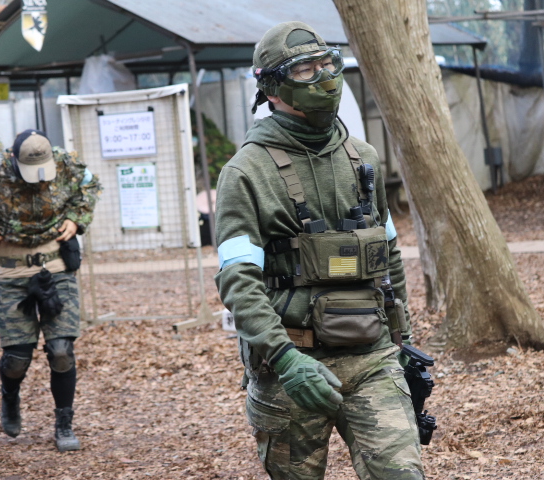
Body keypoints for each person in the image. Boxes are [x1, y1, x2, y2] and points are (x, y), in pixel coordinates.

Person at [214, 22, 424, 479]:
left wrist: (401, 337)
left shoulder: (364, 157)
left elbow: (388, 255)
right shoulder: (245, 174)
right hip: (291, 364)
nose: (325, 77)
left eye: (329, 63)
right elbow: (238, 282)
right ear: (272, 88)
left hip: (372, 356)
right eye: (306, 70)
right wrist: (285, 360)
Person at [0, 129, 101, 452]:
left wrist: (76, 219)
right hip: (12, 271)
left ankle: (64, 424)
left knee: (61, 350)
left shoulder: (66, 163)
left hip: (55, 267)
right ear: (12, 159)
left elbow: (91, 185)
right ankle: (10, 396)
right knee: (16, 358)